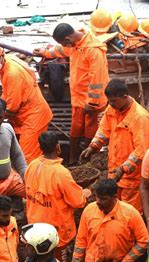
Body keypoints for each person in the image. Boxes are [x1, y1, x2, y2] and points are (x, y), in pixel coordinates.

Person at [33, 23, 109, 165]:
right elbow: (61, 50)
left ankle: (87, 159)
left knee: (90, 131)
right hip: (78, 99)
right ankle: (73, 159)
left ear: (68, 39)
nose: (64, 46)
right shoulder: (74, 45)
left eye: (63, 42)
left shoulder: (93, 50)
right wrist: (45, 52)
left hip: (92, 102)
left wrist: (91, 102)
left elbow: (97, 78)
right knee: (76, 129)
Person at [70, 179, 149, 262]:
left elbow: (143, 241)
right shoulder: (89, 211)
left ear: (114, 197)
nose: (98, 202)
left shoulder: (130, 213)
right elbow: (81, 242)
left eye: (103, 199)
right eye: (96, 197)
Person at [80, 79, 149, 213]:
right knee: (114, 209)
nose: (110, 104)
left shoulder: (140, 117)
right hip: (114, 172)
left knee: (130, 213)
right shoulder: (112, 109)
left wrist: (124, 168)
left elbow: (142, 150)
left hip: (132, 177)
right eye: (109, 101)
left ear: (125, 97)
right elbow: (103, 131)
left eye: (113, 101)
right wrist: (93, 146)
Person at [0, 43, 53, 164]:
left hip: (33, 116)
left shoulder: (12, 73)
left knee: (27, 158)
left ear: (1, 56)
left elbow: (12, 108)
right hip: (27, 113)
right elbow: (7, 91)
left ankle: (32, 180)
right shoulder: (8, 61)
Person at [25, 132, 90, 262]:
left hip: (34, 229)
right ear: (58, 147)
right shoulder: (61, 173)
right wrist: (86, 193)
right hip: (56, 233)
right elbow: (78, 201)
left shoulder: (32, 166)